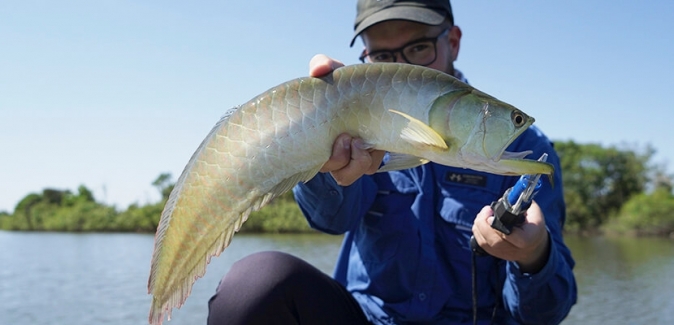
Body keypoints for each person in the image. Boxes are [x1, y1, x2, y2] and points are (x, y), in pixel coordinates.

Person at [207, 0, 577, 324]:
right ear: (366, 55)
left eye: (418, 47)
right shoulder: (352, 123)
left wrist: (534, 256)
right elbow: (331, 220)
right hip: (368, 319)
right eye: (383, 56)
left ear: (452, 41)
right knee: (254, 285)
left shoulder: (521, 145)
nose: (401, 67)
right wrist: (320, 154)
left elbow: (544, 314)